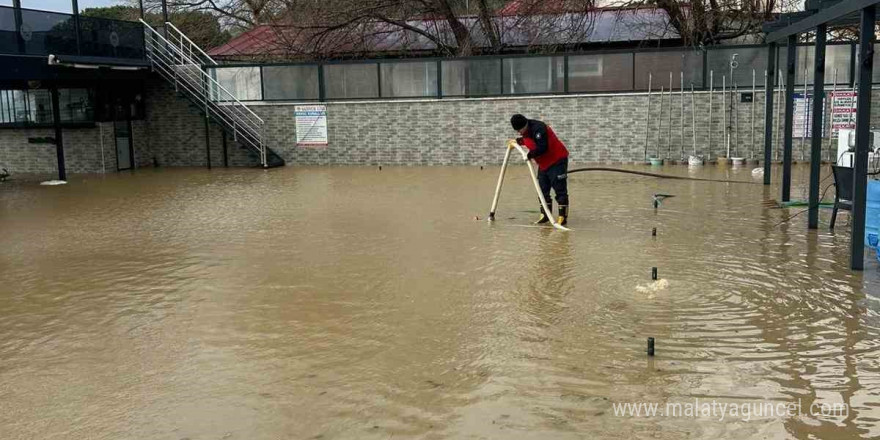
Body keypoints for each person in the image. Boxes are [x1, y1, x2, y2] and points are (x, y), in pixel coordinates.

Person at [510, 114, 570, 226]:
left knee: (559, 189)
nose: (519, 132)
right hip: (544, 165)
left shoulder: (539, 128)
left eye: (520, 130)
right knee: (542, 189)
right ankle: (545, 215)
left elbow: (542, 147)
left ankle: (562, 217)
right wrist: (516, 142)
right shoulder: (526, 131)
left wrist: (529, 155)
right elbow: (526, 139)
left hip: (557, 161)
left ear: (525, 125)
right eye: (517, 130)